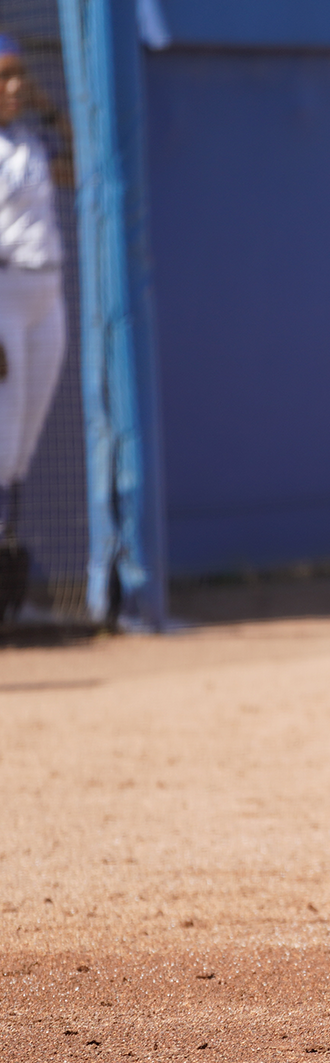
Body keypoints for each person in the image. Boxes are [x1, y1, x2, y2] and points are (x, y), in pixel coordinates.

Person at [0, 32, 67, 623]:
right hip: (2, 293)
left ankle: (10, 590)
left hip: (46, 289)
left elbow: (76, 166)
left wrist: (45, 106)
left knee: (20, 450)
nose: (15, 85)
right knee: (0, 442)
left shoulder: (27, 137)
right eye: (4, 76)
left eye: (19, 73)